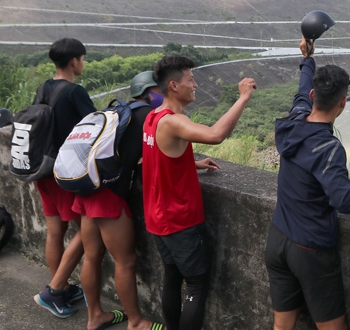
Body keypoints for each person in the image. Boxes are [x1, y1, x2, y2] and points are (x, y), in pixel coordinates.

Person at [264, 37, 350, 330]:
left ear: (313, 96)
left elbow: (301, 89)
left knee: (282, 326)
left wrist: (308, 59)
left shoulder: (294, 121)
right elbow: (345, 200)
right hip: (310, 250)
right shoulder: (329, 148)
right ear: (343, 102)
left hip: (278, 239)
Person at [142, 55, 256, 330]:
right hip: (179, 220)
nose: (195, 84)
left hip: (157, 219)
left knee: (172, 276)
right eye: (190, 79)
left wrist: (190, 163)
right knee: (196, 284)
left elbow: (158, 158)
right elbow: (216, 135)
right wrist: (242, 99)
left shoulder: (152, 117)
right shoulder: (172, 121)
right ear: (174, 86)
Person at [73, 71, 165, 330]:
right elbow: (163, 155)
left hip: (89, 187)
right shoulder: (149, 115)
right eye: (160, 90)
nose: (163, 95)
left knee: (92, 256)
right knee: (126, 260)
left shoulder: (117, 111)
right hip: (109, 196)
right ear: (149, 92)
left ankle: (95, 317)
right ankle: (136, 322)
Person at [33, 38, 96, 318]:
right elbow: (99, 128)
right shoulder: (75, 92)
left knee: (55, 230)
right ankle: (54, 290)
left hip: (41, 169)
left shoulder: (42, 87)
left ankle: (61, 287)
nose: (83, 63)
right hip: (65, 172)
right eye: (83, 59)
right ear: (74, 61)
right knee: (87, 229)